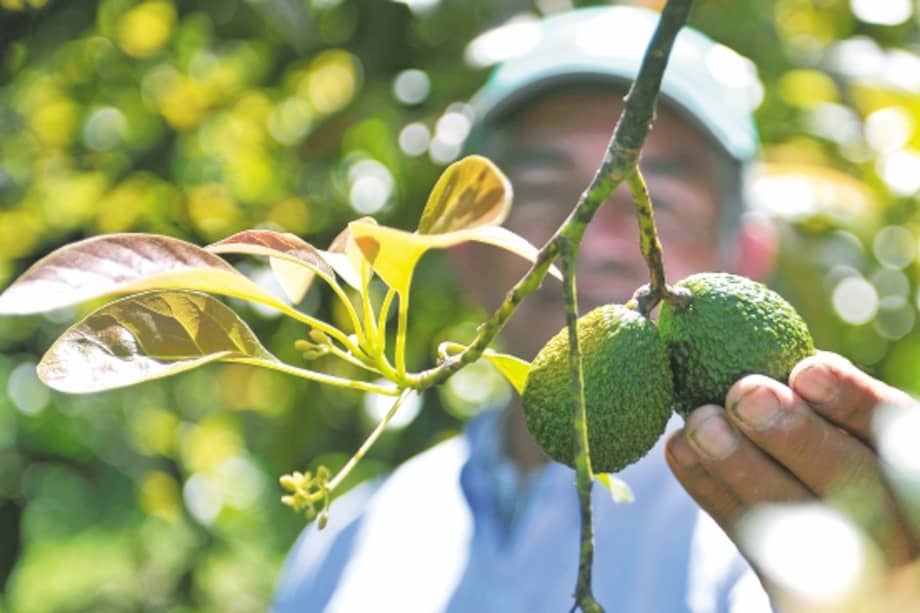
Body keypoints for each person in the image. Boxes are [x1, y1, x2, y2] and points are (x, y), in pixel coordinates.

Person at [273, 6, 918, 612]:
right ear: (467, 252)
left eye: (656, 202)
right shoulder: (349, 543)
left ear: (747, 257)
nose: (597, 240)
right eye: (548, 191)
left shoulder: (798, 529)